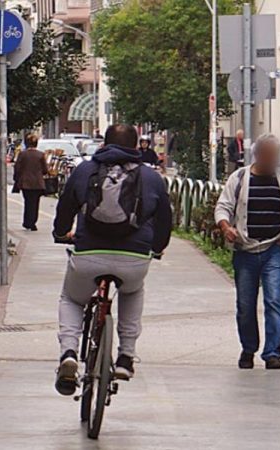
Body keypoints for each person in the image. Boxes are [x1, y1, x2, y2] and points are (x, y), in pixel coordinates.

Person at [52, 124, 173, 395]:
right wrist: (157, 247)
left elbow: (65, 208)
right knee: (132, 291)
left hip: (89, 254)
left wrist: (61, 233)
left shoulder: (85, 170)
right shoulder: (151, 178)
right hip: (134, 257)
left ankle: (69, 352)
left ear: (104, 143)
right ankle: (125, 357)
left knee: (71, 298)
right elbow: (165, 220)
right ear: (137, 146)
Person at [214, 134, 280, 370]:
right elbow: (223, 207)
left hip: (274, 249)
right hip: (245, 249)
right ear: (257, 155)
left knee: (274, 300)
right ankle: (248, 349)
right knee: (245, 304)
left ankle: (272, 353)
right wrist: (226, 227)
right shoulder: (240, 178)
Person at [13, 134, 49, 231]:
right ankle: (32, 222)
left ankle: (27, 222)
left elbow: (17, 168)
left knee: (28, 202)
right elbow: (45, 170)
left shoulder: (22, 154)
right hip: (38, 183)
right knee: (35, 203)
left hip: (26, 183)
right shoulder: (41, 155)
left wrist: (17, 179)